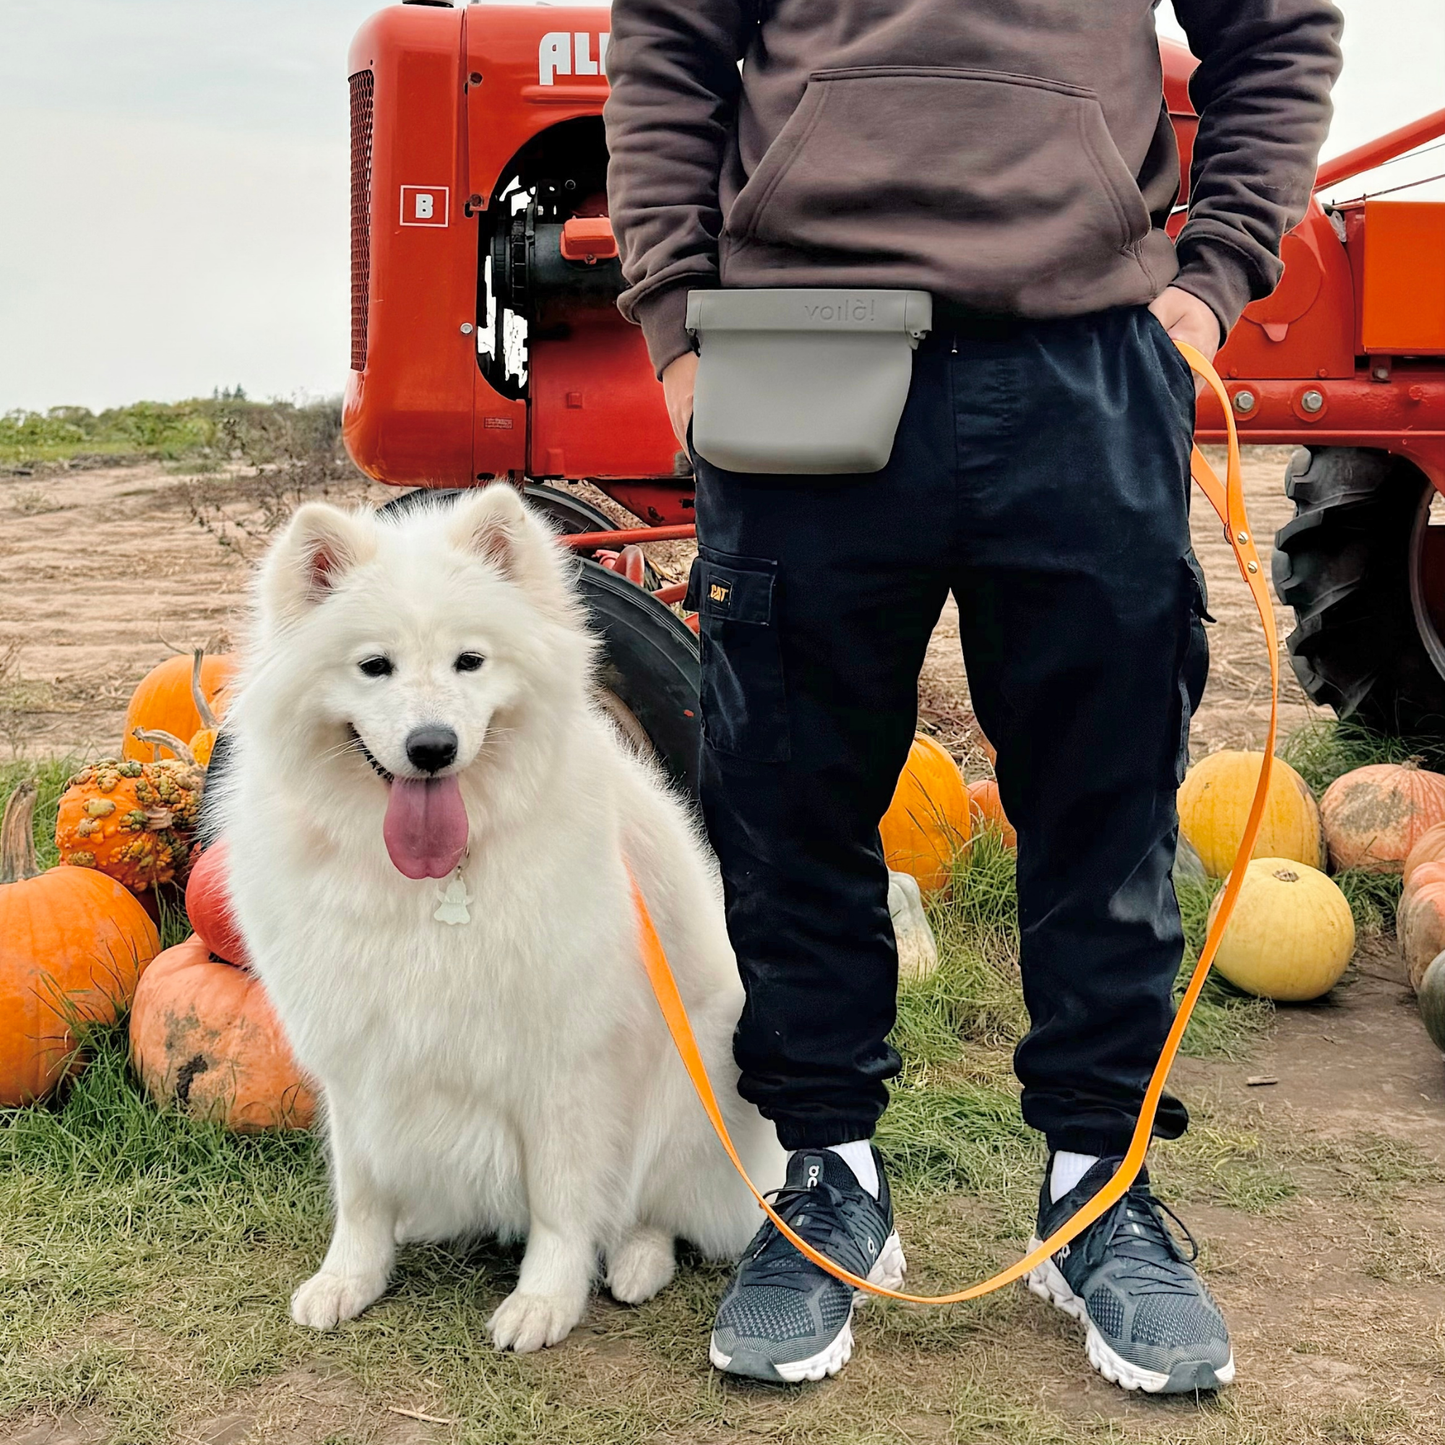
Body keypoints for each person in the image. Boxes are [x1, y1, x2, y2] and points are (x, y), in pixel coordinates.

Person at [603, 0, 1341, 1392]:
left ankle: (1095, 1192)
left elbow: (1281, 26)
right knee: (788, 800)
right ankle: (823, 1185)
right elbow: (665, 48)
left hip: (1084, 356)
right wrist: (676, 330)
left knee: (1105, 791)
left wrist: (1212, 277)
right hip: (797, 342)